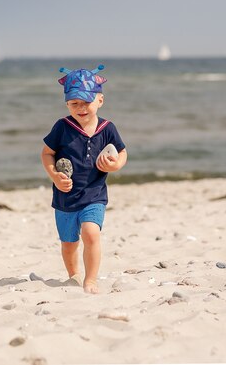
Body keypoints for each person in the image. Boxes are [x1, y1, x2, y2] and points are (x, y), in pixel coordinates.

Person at [41, 65, 127, 294]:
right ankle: (73, 275)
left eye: (86, 102)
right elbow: (47, 153)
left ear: (100, 100)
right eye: (74, 103)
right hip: (65, 197)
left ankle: (90, 280)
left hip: (94, 194)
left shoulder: (108, 128)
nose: (80, 108)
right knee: (69, 244)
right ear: (67, 104)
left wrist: (116, 164)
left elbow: (122, 152)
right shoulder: (62, 127)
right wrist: (55, 177)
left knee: (91, 233)